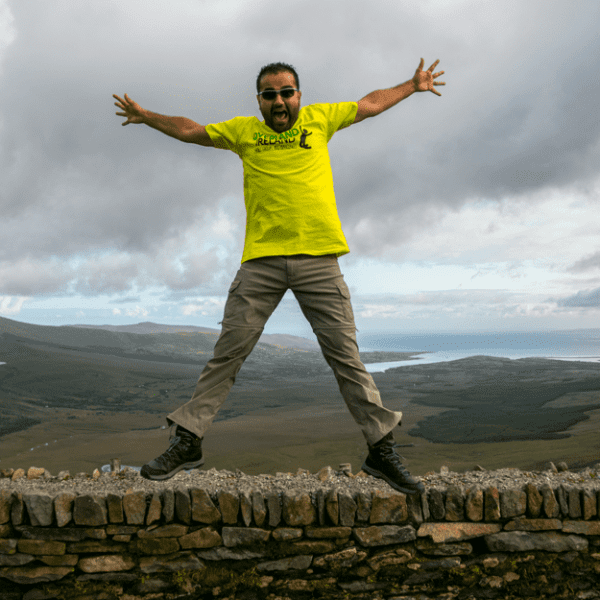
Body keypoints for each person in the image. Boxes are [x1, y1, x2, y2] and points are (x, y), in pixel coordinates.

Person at [113, 58, 445, 493]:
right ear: (260, 101)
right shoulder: (244, 132)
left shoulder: (321, 119)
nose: (279, 101)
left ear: (299, 96)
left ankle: (381, 449)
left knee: (346, 356)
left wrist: (413, 85)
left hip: (319, 259)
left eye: (287, 92)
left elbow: (370, 104)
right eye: (270, 95)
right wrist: (147, 117)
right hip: (262, 261)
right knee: (228, 352)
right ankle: (188, 441)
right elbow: (191, 129)